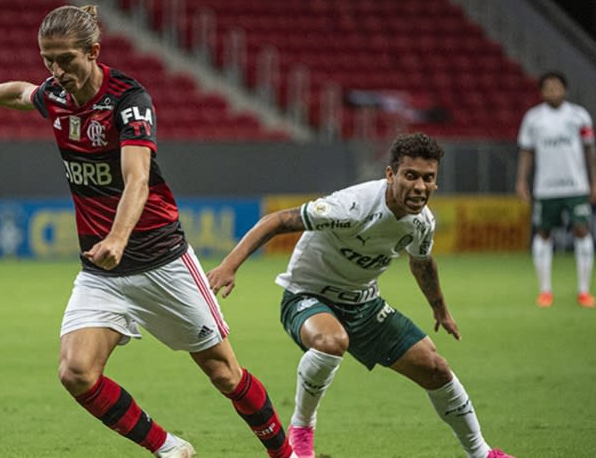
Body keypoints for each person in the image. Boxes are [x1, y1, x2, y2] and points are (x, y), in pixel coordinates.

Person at [0, 5, 294, 458]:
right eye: (47, 61)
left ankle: (285, 454)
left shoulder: (128, 100)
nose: (55, 72)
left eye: (65, 60)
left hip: (161, 261)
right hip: (101, 270)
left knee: (225, 375)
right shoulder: (55, 96)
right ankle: (170, 448)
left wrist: (118, 238)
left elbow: (137, 178)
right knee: (76, 372)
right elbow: (20, 93)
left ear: (94, 52)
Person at [207, 133, 514, 458]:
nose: (420, 187)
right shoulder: (351, 207)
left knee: (436, 368)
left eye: (428, 178)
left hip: (365, 304)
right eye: (411, 176)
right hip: (308, 295)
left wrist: (440, 310)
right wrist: (230, 265)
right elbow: (277, 220)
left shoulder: (422, 223)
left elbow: (421, 263)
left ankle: (481, 453)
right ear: (391, 174)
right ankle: (302, 430)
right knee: (330, 342)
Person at [515, 71, 596, 309]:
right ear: (541, 92)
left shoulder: (579, 115)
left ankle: (584, 291)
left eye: (557, 87)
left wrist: (595, 181)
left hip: (576, 186)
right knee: (543, 233)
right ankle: (545, 291)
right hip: (546, 188)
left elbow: (590, 149)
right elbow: (526, 151)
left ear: (565, 89)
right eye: (548, 87)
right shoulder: (533, 118)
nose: (553, 91)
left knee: (582, 230)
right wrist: (522, 180)